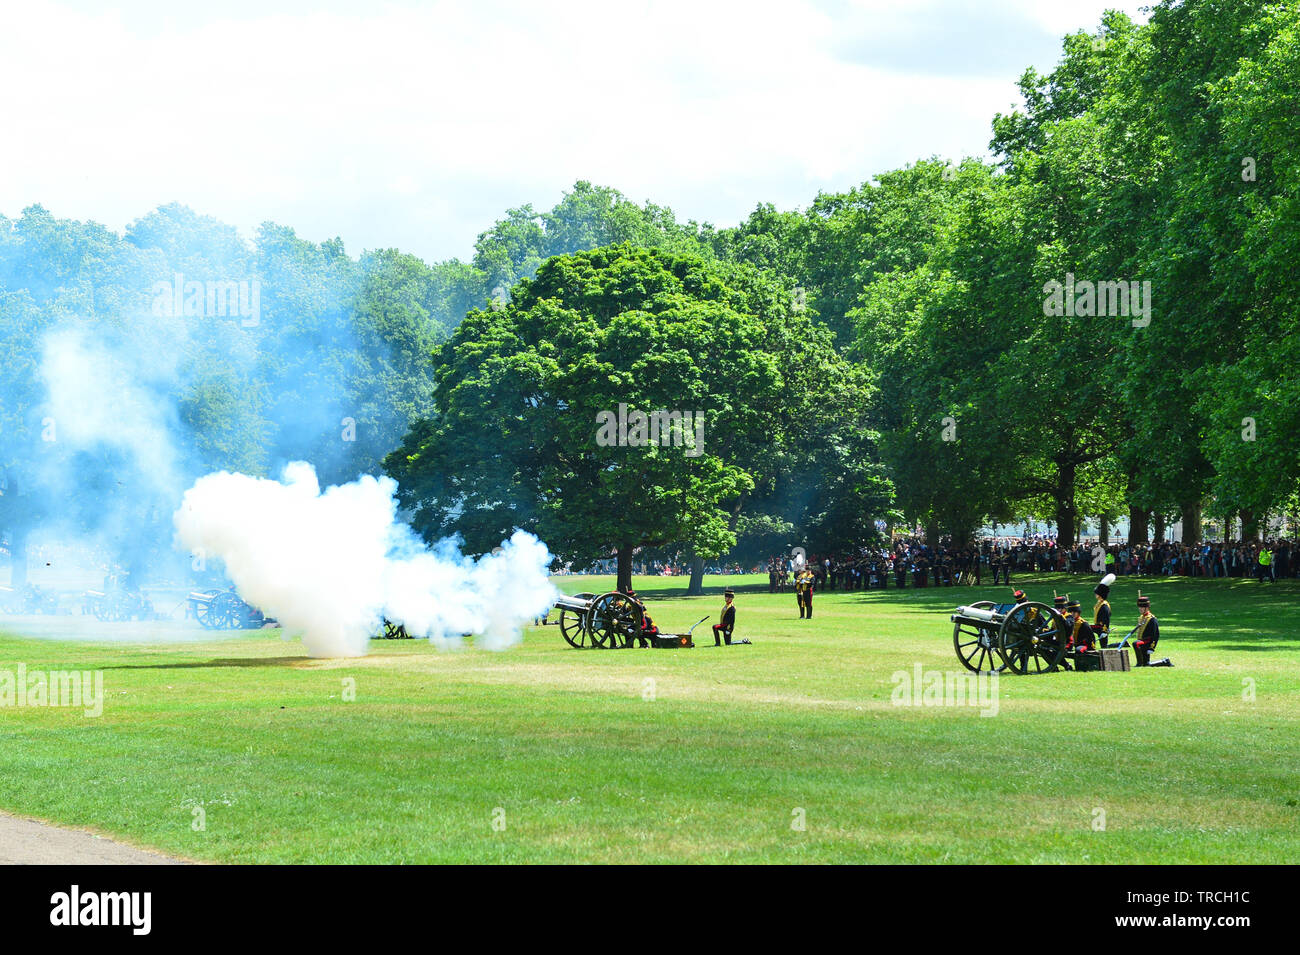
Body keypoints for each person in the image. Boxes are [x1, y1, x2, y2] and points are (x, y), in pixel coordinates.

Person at [1131, 593, 1172, 666]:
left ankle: (1139, 663)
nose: (1140, 609)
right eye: (1139, 607)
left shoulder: (1152, 619)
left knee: (1135, 643)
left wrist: (1152, 647)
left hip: (1147, 642)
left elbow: (1156, 634)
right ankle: (1164, 661)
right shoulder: (1141, 618)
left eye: (1142, 607)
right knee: (1146, 664)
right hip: (1142, 641)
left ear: (1147, 608)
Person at [1093, 573, 1115, 647]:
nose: (1095, 594)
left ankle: (1115, 645)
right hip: (1098, 626)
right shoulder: (1099, 603)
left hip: (1102, 627)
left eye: (1096, 593)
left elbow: (1106, 619)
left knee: (1104, 646)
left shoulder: (1104, 606)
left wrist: (1104, 631)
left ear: (1100, 594)